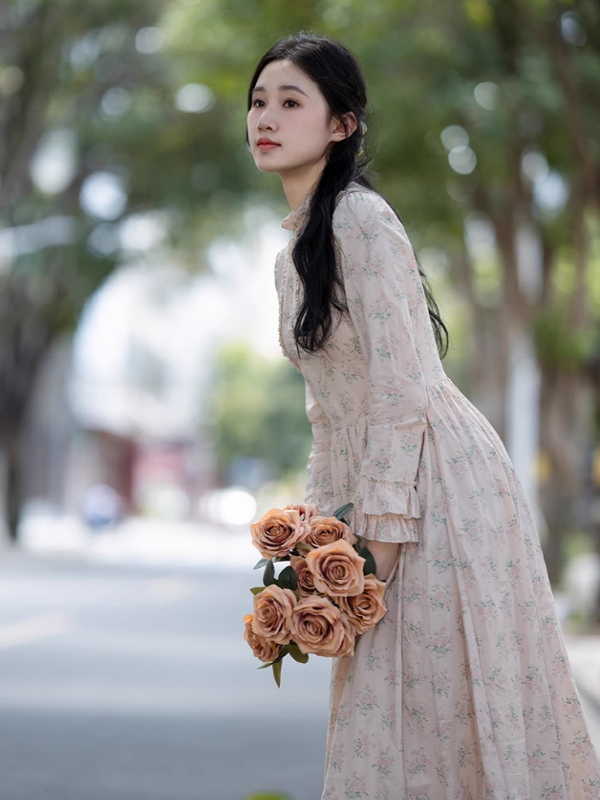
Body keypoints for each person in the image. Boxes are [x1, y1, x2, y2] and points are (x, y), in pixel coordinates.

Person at [246, 31, 600, 800]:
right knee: (385, 711)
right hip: (375, 493)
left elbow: (401, 389)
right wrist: (316, 541)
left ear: (342, 126)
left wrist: (383, 537)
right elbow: (328, 413)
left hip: (437, 489)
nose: (265, 118)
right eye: (258, 102)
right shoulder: (292, 256)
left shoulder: (361, 221)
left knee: (433, 707)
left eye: (290, 102)